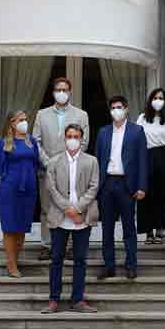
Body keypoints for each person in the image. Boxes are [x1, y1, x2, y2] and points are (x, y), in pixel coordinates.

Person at [40, 124, 99, 314]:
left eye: (76, 136)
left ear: (81, 139)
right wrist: (69, 210)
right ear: (64, 139)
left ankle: (78, 300)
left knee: (80, 260)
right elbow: (51, 189)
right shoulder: (54, 162)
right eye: (69, 136)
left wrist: (78, 208)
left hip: (82, 217)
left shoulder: (91, 161)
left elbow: (93, 187)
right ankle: (53, 300)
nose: (72, 139)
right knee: (56, 259)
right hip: (60, 217)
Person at [31, 77, 89, 261]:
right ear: (53, 92)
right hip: (47, 168)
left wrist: (68, 162)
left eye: (65, 89)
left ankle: (70, 246)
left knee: (71, 205)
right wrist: (48, 162)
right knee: (47, 208)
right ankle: (47, 245)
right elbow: (36, 141)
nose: (61, 93)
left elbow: (84, 142)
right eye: (58, 89)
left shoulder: (81, 115)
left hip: (72, 169)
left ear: (70, 92)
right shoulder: (42, 114)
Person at [95, 96, 148, 281]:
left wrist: (142, 186)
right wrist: (96, 186)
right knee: (107, 229)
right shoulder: (103, 132)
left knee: (129, 229)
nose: (116, 110)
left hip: (127, 184)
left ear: (126, 109)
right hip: (107, 184)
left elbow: (142, 160)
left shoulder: (137, 131)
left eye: (119, 107)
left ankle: (131, 266)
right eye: (113, 108)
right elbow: (98, 160)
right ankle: (108, 266)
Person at [0, 111, 40, 277]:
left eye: (26, 119)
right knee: (10, 227)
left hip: (29, 189)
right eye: (21, 120)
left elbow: (37, 164)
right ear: (12, 123)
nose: (25, 122)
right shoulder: (4, 142)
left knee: (22, 227)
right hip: (10, 190)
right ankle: (11, 265)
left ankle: (14, 261)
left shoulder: (31, 141)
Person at [136, 88, 165, 245]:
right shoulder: (142, 118)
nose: (158, 100)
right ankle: (148, 231)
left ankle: (161, 229)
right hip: (146, 157)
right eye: (155, 97)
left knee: (163, 195)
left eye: (161, 97)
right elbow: (137, 140)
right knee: (146, 195)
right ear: (150, 100)